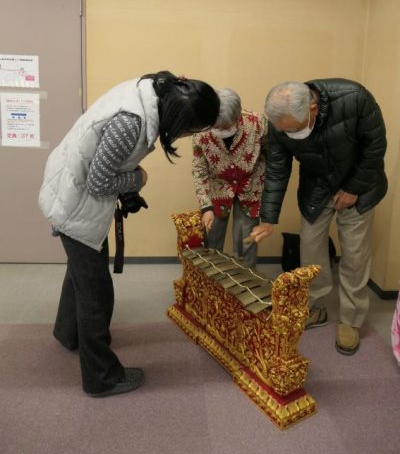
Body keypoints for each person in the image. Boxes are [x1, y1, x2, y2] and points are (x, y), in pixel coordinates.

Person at [38, 71, 220, 397]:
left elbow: (104, 165)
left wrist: (128, 177)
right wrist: (138, 180)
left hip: (68, 187)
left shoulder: (151, 89)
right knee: (96, 294)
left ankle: (68, 334)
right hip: (75, 201)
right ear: (180, 118)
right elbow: (98, 183)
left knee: (80, 274)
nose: (188, 135)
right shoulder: (131, 123)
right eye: (191, 129)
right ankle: (101, 377)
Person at [251, 79, 387, 355]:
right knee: (310, 249)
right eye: (279, 127)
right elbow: (277, 170)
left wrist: (353, 189)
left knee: (355, 254)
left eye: (290, 129)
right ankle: (315, 305)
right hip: (316, 187)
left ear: (313, 109)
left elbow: (375, 147)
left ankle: (350, 320)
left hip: (359, 185)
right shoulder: (279, 122)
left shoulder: (354, 98)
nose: (281, 132)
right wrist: (268, 218)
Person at [192, 88, 266, 267]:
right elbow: (199, 169)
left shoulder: (257, 123)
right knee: (211, 243)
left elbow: (271, 156)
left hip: (250, 187)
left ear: (237, 117)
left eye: (225, 127)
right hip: (217, 189)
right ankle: (212, 288)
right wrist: (205, 206)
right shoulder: (200, 129)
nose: (220, 131)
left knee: (245, 243)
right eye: (216, 127)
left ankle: (244, 286)